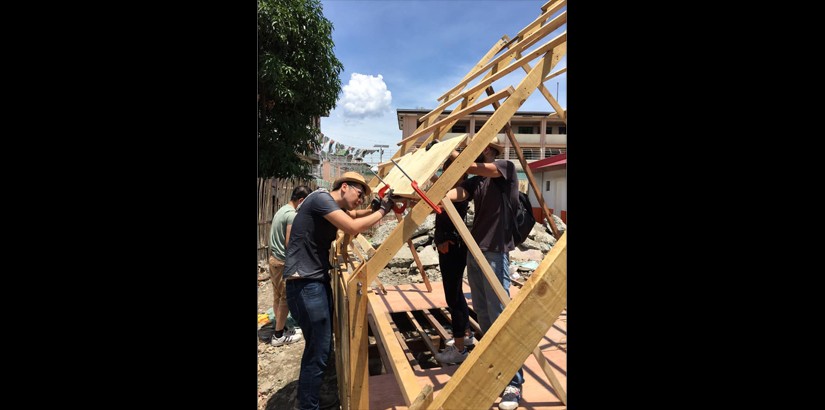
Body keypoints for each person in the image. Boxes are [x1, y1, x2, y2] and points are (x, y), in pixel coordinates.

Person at [284, 171, 395, 410]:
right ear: (344, 187)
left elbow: (354, 215)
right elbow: (353, 225)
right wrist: (383, 210)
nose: (361, 199)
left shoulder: (328, 204)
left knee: (317, 348)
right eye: (359, 193)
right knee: (319, 352)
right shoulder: (321, 198)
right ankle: (307, 406)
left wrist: (375, 208)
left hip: (310, 282)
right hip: (305, 284)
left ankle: (308, 398)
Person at [443, 141, 524, 410]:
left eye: (477, 147)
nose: (473, 152)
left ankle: (513, 381)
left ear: (489, 149)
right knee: (484, 313)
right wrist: (437, 191)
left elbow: (481, 168)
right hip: (475, 250)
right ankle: (494, 369)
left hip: (495, 251)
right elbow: (459, 193)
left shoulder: (504, 168)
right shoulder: (477, 181)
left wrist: (453, 155)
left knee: (500, 315)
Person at [433, 158, 474, 364]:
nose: (444, 173)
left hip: (453, 247)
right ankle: (465, 335)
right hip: (449, 246)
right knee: (456, 293)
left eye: (447, 169)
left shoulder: (460, 190)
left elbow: (439, 199)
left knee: (453, 296)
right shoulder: (451, 186)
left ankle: (459, 350)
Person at [268, 185, 311, 347]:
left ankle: (280, 326)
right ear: (301, 200)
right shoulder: (292, 216)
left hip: (274, 260)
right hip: (282, 262)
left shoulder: (282, 210)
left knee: (278, 296)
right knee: (285, 298)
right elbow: (289, 242)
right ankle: (278, 336)